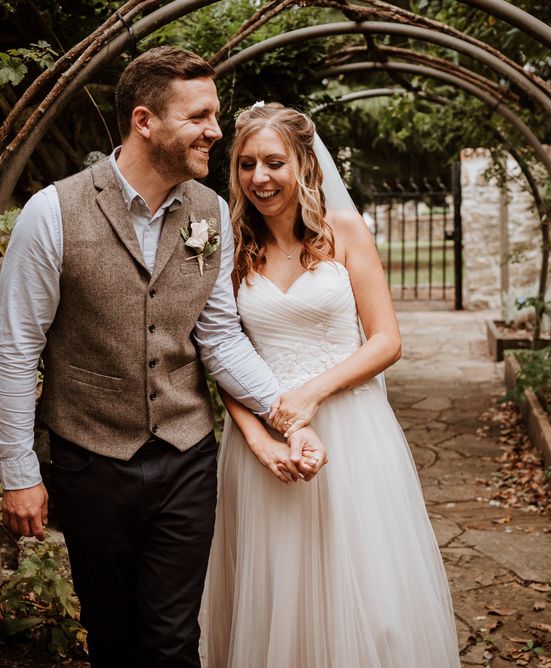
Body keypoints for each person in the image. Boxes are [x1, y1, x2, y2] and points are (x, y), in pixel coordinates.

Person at [0, 48, 326, 668]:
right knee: (113, 638)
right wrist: (18, 472)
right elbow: (14, 352)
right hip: (91, 462)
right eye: (199, 116)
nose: (215, 130)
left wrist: (285, 414)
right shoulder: (52, 212)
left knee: (175, 642)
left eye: (216, 114)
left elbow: (221, 337)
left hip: (186, 459)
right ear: (145, 121)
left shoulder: (210, 214)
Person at [199, 103, 461, 667]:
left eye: (274, 162)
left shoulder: (343, 232)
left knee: (368, 597)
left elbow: (386, 340)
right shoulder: (232, 247)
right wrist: (258, 437)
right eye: (246, 164)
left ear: (304, 164)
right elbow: (222, 353)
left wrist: (311, 396)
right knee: (271, 590)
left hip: (352, 432)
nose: (259, 178)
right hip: (262, 442)